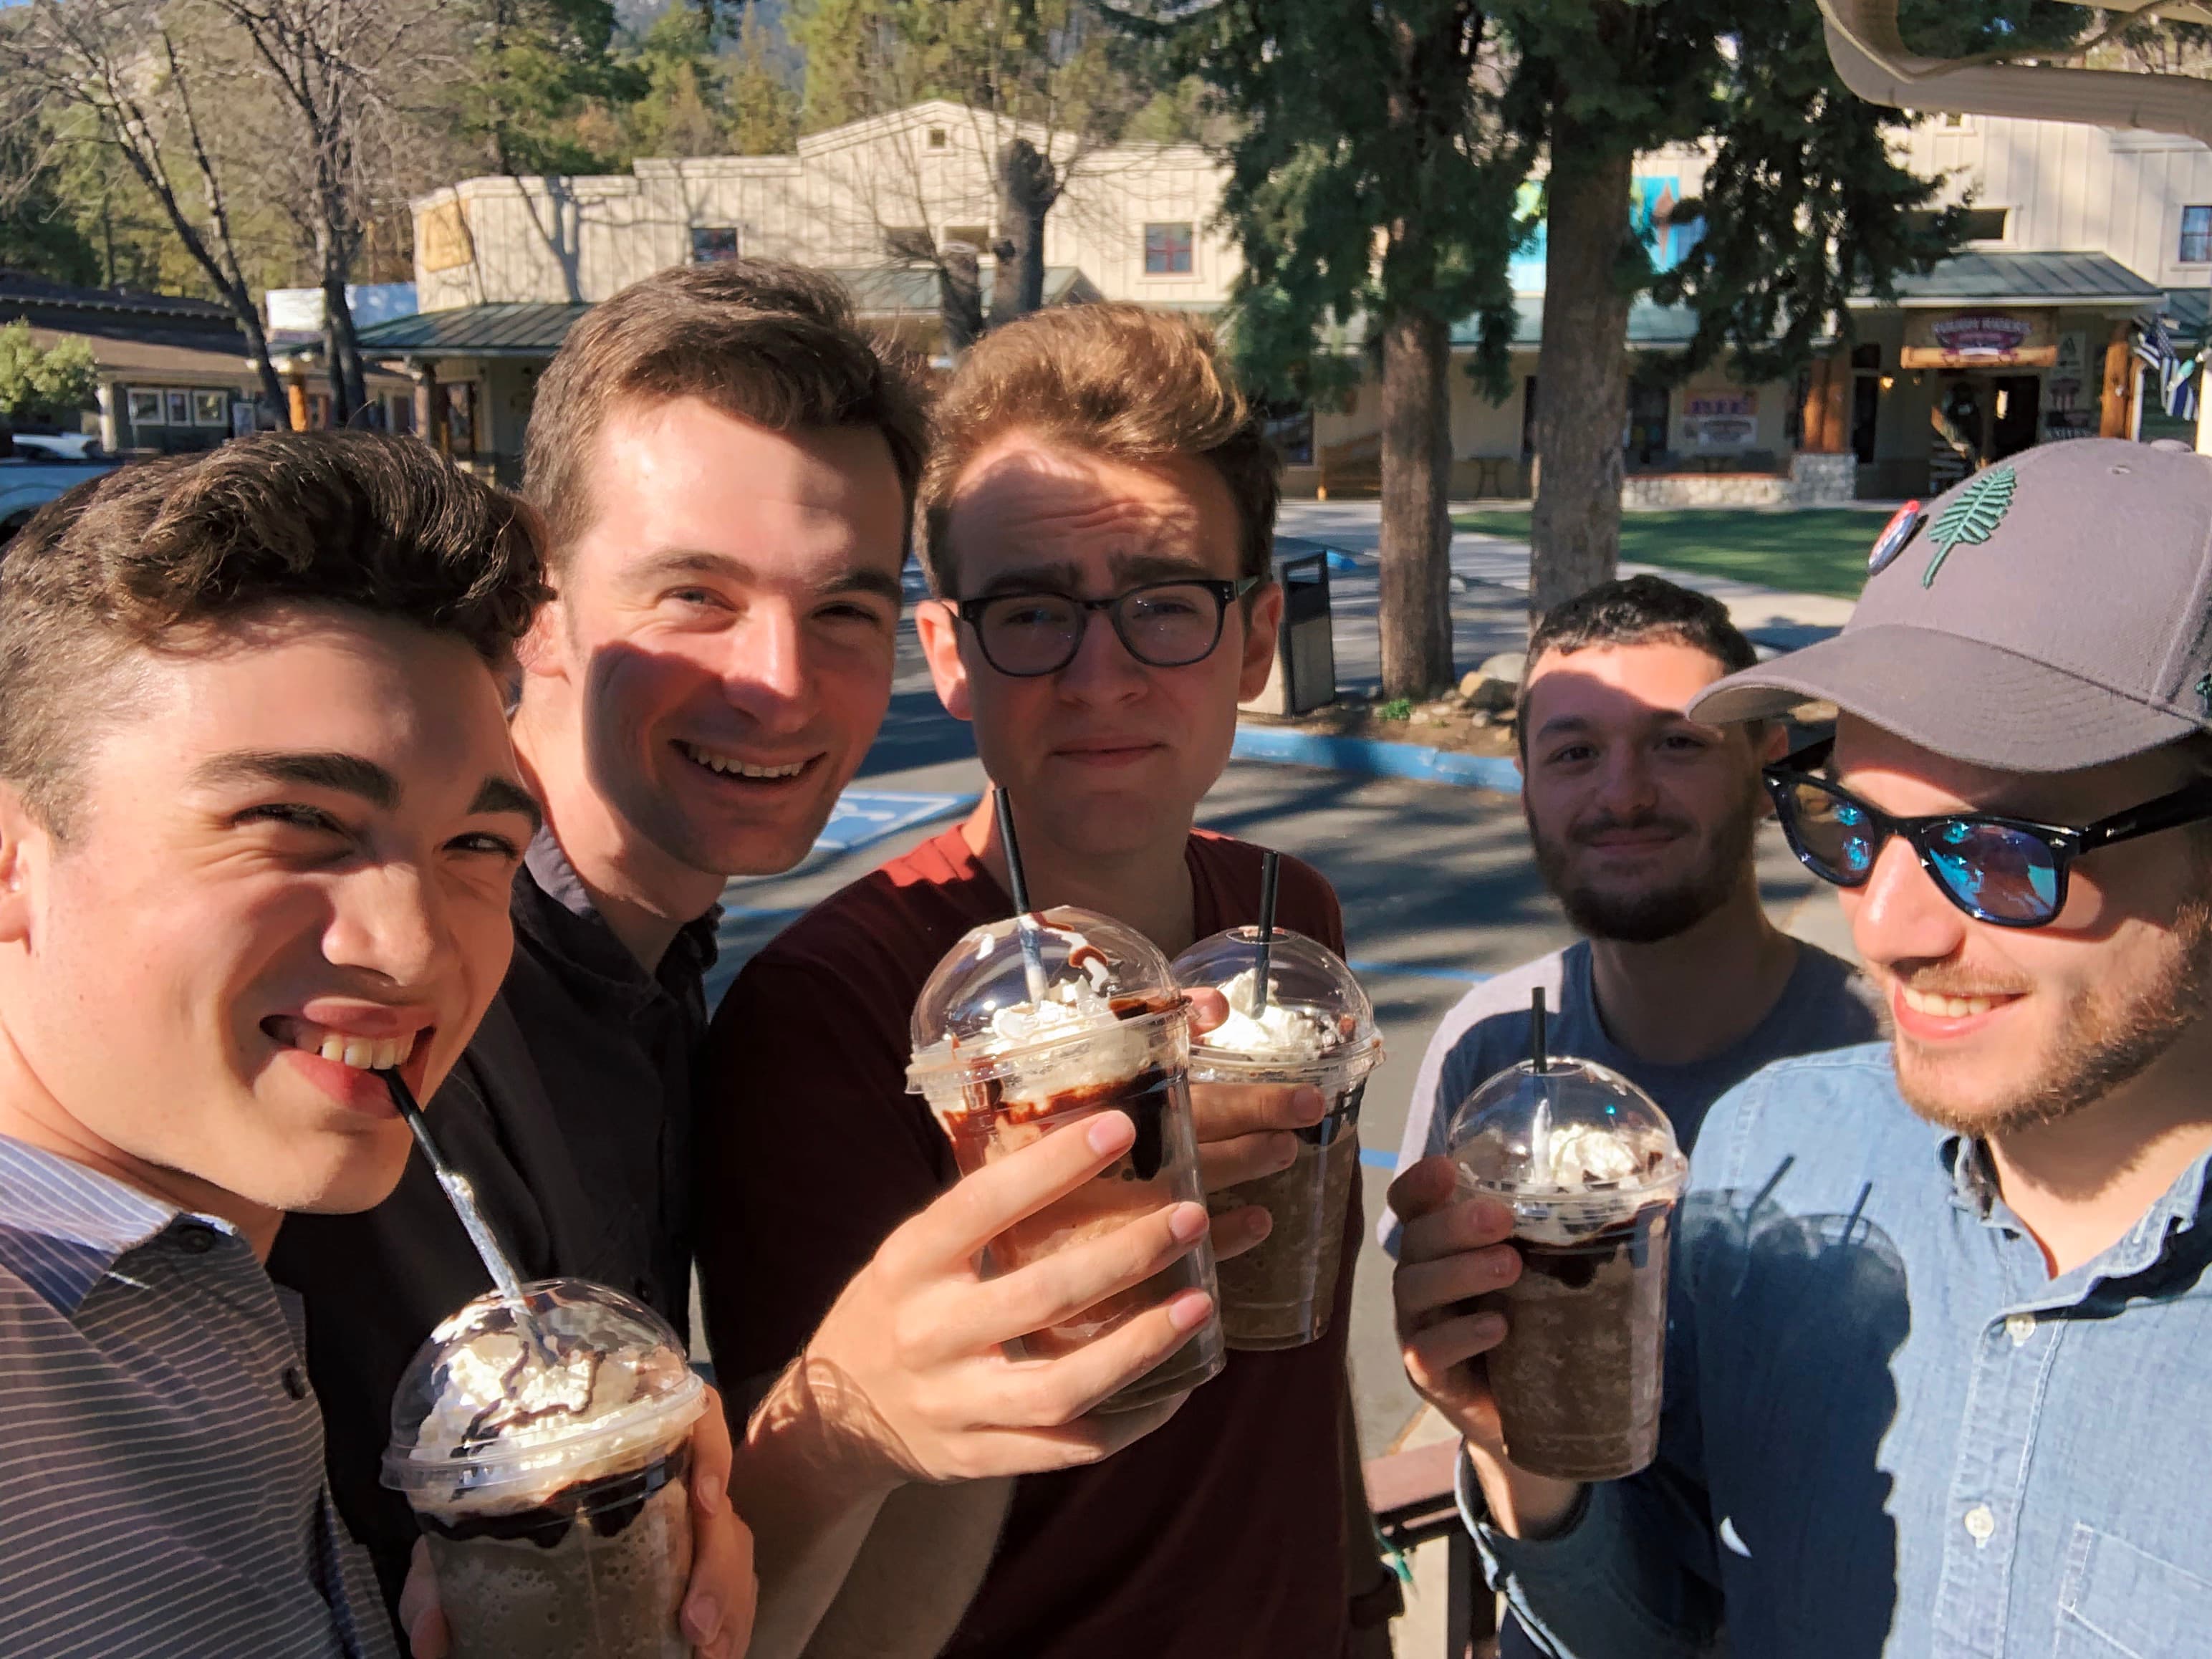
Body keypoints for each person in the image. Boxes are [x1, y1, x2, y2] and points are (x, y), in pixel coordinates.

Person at [271, 264, 1218, 1659]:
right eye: (696, 594)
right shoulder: (394, 1018)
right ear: (537, 598)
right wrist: (852, 1415)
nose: (778, 680)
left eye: (840, 607)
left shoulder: (650, 975)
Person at [1391, 437, 2212, 1654]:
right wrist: (1535, 1466)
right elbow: (1659, 1622)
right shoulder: (1780, 1143)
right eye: (1852, 827)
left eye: (2000, 850)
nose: (1885, 928)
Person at [700, 303, 1399, 1659]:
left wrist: (1358, 1596)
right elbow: (821, 1616)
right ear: (952, 655)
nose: (1100, 675)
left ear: (1253, 638)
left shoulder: (1281, 918)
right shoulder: (836, 1014)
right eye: (1030, 611)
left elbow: (1293, 1361)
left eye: (1162, 603)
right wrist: (1056, 1236)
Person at [0, 435, 724, 1655]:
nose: (410, 948)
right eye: (294, 821)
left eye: (476, 849)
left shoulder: (221, 1309)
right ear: (14, 860)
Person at [1382, 574, 1882, 1253]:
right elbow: (1442, 1326)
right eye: (1575, 754)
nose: (1624, 797)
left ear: (1769, 770)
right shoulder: (1487, 1053)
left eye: (1677, 743)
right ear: (1527, 790)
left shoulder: (1891, 1063)